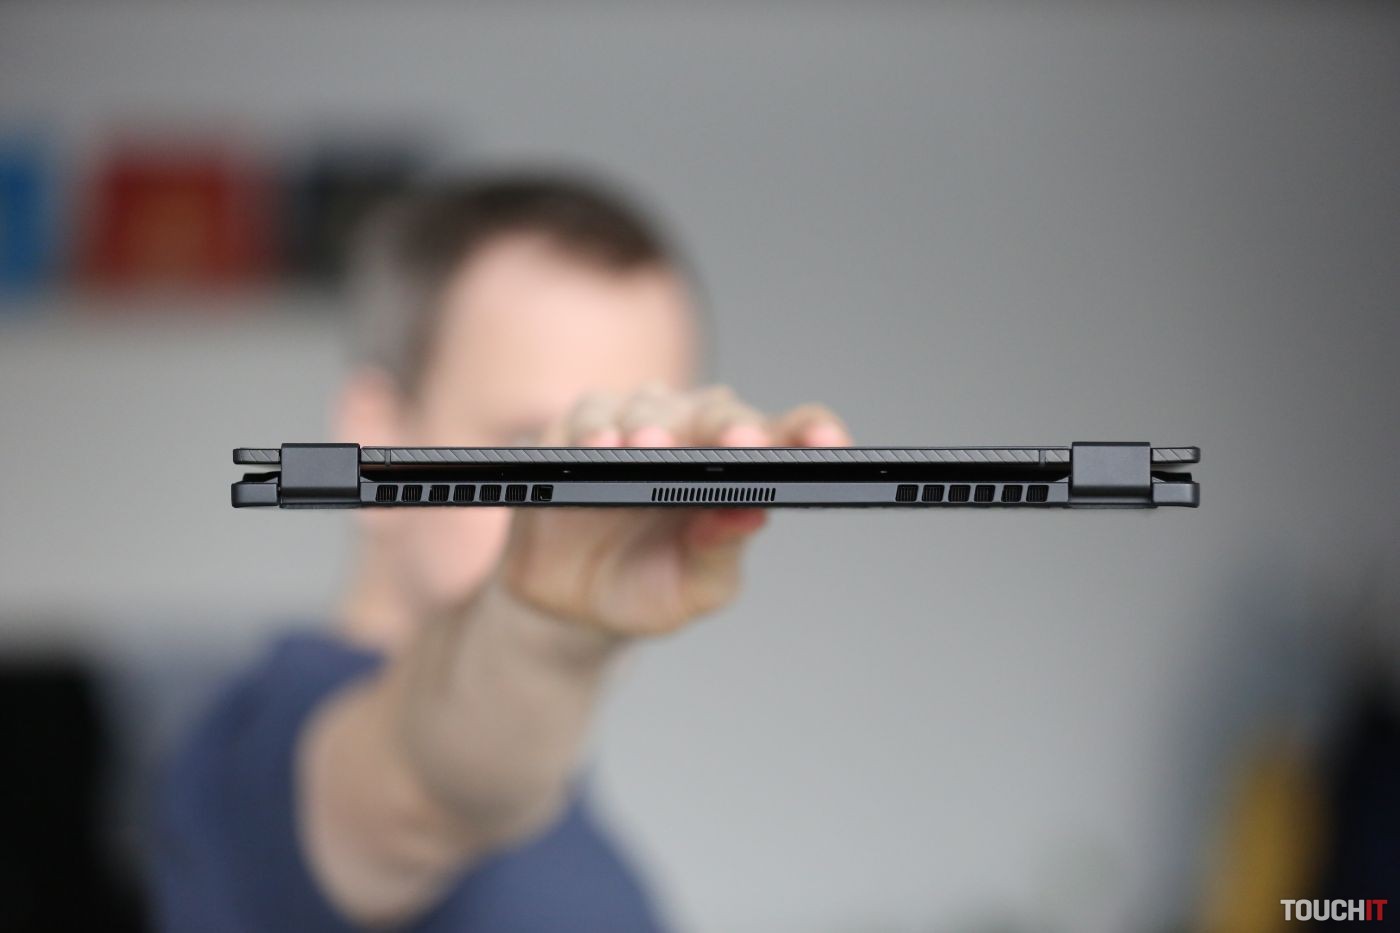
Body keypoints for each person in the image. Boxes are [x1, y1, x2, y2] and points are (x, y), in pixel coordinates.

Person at [154, 173, 850, 931]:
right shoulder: (265, 753)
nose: (604, 497)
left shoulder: (571, 829)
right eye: (529, 444)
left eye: (646, 450)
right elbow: (424, 793)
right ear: (374, 442)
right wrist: (550, 627)